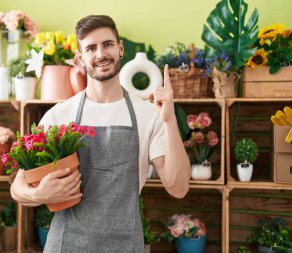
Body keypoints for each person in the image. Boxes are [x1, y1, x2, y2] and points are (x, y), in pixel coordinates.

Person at [10, 14, 190, 252]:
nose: (101, 54)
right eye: (91, 48)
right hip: (66, 244)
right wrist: (38, 195)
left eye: (107, 44)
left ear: (120, 49)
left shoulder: (148, 114)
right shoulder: (59, 115)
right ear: (80, 58)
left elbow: (178, 188)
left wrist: (169, 121)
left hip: (124, 244)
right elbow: (18, 186)